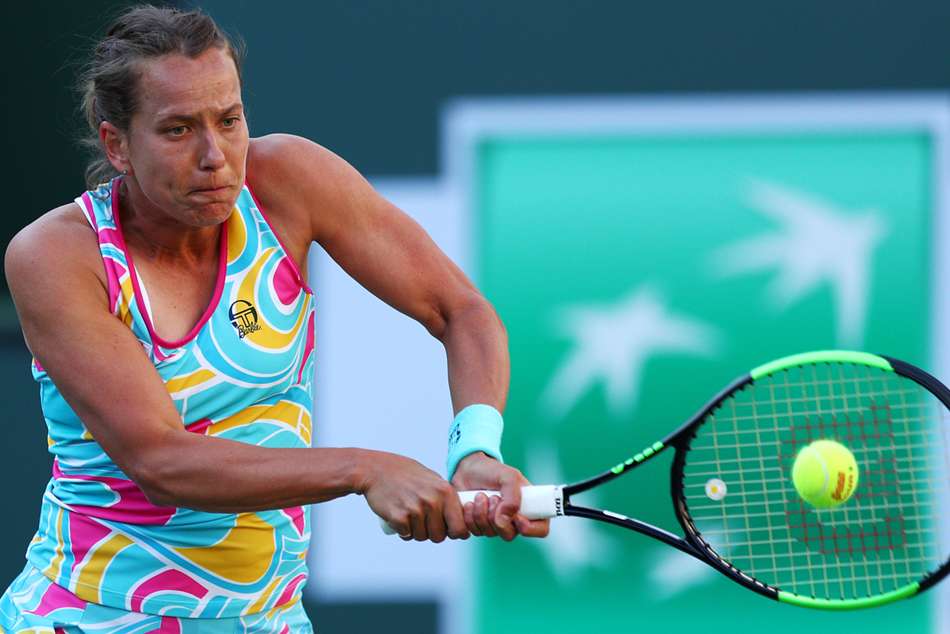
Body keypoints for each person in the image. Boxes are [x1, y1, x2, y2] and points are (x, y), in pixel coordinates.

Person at [0, 5, 548, 632]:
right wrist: (364, 469)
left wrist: (475, 448)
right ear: (116, 144)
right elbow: (160, 462)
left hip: (270, 619)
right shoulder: (56, 255)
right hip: (90, 616)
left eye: (229, 120)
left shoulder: (287, 180)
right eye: (178, 130)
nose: (215, 156)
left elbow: (460, 310)